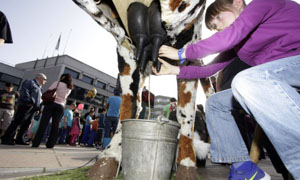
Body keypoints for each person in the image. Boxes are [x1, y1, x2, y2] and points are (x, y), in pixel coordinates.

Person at [153, 0, 300, 179]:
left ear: (237, 3)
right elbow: (209, 69)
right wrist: (174, 70)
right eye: (214, 28)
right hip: (276, 77)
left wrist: (182, 52)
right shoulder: (239, 44)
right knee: (215, 103)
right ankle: (244, 170)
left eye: (219, 20)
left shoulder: (261, 4)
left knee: (245, 80)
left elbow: (231, 34)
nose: (218, 28)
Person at [1, 73, 47, 145]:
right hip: (26, 105)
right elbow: (24, 91)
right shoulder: (30, 82)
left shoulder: (40, 87)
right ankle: (7, 138)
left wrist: (37, 108)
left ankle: (20, 139)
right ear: (39, 78)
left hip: (33, 108)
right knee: (17, 122)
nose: (45, 81)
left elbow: (39, 99)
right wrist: (28, 101)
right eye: (45, 79)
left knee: (26, 124)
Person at [32, 74, 73, 148]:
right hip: (61, 106)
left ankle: (36, 143)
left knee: (43, 123)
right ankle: (50, 144)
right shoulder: (69, 88)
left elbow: (49, 91)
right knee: (55, 125)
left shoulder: (57, 83)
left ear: (63, 77)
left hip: (51, 104)